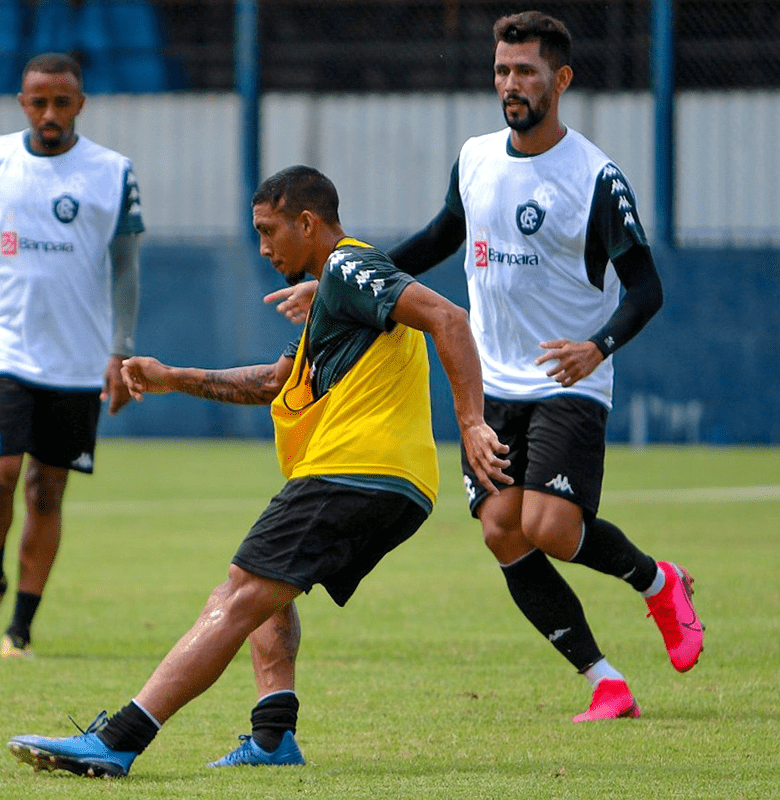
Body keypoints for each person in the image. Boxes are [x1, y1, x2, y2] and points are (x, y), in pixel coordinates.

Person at [268, 11, 703, 723]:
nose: (510, 84)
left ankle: (659, 582)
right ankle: (605, 679)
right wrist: (344, 277)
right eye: (502, 70)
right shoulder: (475, 158)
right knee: (503, 529)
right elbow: (443, 234)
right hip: (493, 380)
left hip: (569, 381)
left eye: (525, 72)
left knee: (553, 527)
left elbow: (646, 288)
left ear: (559, 79)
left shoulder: (596, 178)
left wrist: (597, 346)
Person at [5, 165, 511, 777]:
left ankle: (120, 738)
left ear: (306, 222)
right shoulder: (338, 291)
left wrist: (472, 421)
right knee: (265, 590)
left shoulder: (352, 268)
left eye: (270, 231)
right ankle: (273, 737)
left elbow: (449, 319)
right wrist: (172, 378)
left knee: (240, 593)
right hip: (378, 478)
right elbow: (274, 382)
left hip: (357, 468)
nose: (264, 246)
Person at [0, 52, 144, 660]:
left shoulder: (112, 172)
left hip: (76, 355)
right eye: (38, 101)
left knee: (46, 492)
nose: (49, 113)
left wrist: (121, 348)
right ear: (22, 102)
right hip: (0, 344)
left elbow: (125, 265)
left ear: (80, 104)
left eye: (61, 102)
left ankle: (20, 627)